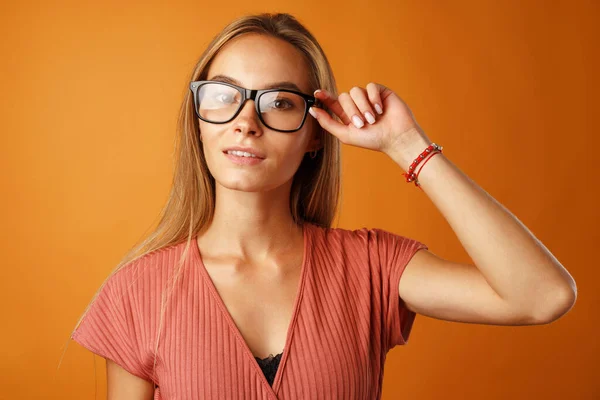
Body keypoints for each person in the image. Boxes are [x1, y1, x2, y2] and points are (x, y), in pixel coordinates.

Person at [69, 12, 577, 400]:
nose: (247, 121)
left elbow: (542, 297)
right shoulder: (138, 292)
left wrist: (406, 145)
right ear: (198, 115)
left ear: (315, 134)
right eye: (224, 95)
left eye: (280, 103)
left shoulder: (371, 268)